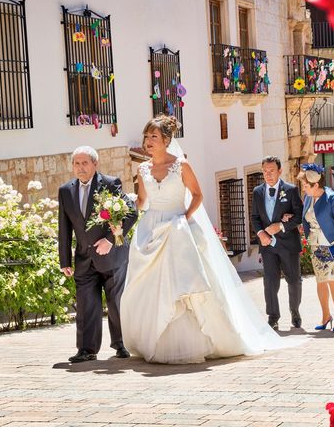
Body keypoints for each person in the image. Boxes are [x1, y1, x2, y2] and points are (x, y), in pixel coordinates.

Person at [120, 116, 302, 364]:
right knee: (150, 284)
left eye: (154, 137)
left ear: (166, 140)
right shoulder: (142, 169)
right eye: (147, 137)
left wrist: (183, 218)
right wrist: (123, 208)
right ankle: (152, 338)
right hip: (152, 228)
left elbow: (197, 195)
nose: (148, 141)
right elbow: (142, 201)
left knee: (185, 284)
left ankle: (196, 340)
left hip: (178, 228)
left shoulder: (181, 166)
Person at [58, 146, 138, 363]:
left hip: (112, 256)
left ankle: (121, 343)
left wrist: (111, 240)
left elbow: (131, 213)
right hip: (84, 258)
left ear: (95, 164)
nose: (80, 167)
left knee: (115, 302)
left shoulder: (111, 184)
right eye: (76, 163)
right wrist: (64, 260)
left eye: (85, 163)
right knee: (86, 305)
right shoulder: (66, 191)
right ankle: (86, 349)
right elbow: (63, 227)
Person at [250, 156, 304, 331]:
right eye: (265, 171)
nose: (268, 174)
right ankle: (273, 317)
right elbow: (255, 217)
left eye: (272, 171)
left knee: (294, 280)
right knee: (270, 282)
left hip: (289, 244)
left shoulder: (291, 190)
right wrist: (261, 234)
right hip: (268, 246)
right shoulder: (257, 192)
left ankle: (295, 311)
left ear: (280, 171)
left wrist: (281, 225)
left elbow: (298, 216)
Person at [297, 163, 334, 333]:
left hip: (333, 245)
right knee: (320, 282)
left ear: (315, 185)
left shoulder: (333, 198)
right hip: (316, 246)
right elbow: (308, 219)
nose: (304, 189)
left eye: (306, 186)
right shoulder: (307, 199)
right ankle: (326, 316)